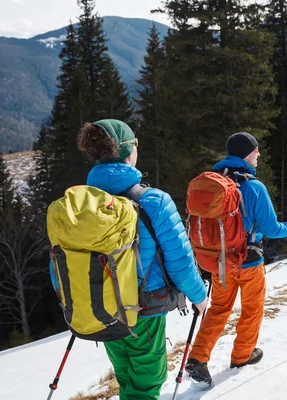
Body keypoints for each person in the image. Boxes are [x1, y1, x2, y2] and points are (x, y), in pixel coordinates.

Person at [76, 119, 208, 399]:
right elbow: (180, 260)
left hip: (102, 308)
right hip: (143, 309)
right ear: (129, 151)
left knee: (125, 374)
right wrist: (199, 296)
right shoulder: (154, 201)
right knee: (148, 380)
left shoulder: (81, 204)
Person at [185, 132, 287, 384]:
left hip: (220, 264)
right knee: (252, 309)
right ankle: (242, 355)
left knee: (218, 309)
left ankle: (197, 357)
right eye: (256, 150)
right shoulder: (253, 186)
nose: (259, 154)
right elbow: (271, 229)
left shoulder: (215, 183)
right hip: (249, 262)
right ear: (247, 152)